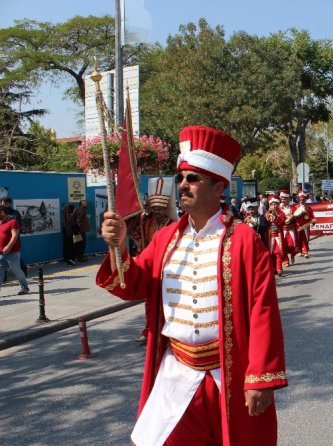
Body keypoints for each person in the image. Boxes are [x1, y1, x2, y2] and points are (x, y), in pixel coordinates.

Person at [96, 126, 287, 445]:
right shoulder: (165, 238)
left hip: (228, 373)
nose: (183, 185)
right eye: (181, 178)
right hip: (177, 372)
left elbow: (263, 310)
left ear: (218, 188)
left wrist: (261, 379)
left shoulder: (243, 240)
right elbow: (134, 284)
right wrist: (118, 247)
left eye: (193, 178)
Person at [127, 177, 179, 344]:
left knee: (168, 302)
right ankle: (149, 329)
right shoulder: (145, 224)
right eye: (154, 208)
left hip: (169, 270)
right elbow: (132, 231)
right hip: (150, 269)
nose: (157, 212)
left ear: (166, 208)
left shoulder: (173, 225)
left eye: (160, 209)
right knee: (150, 303)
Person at [0, 205, 30, 295]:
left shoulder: (13, 222)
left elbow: (15, 236)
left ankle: (24, 287)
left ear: (2, 212)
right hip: (0, 252)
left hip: (12, 252)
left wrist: (9, 246)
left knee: (16, 269)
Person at [292, 190, 317, 257]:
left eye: (303, 199)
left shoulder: (308, 208)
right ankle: (300, 251)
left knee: (305, 239)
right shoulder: (295, 207)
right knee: (298, 239)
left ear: (305, 200)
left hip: (306, 225)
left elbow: (312, 216)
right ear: (298, 199)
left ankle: (306, 251)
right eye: (300, 199)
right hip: (297, 225)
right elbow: (293, 215)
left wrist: (313, 220)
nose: (302, 201)